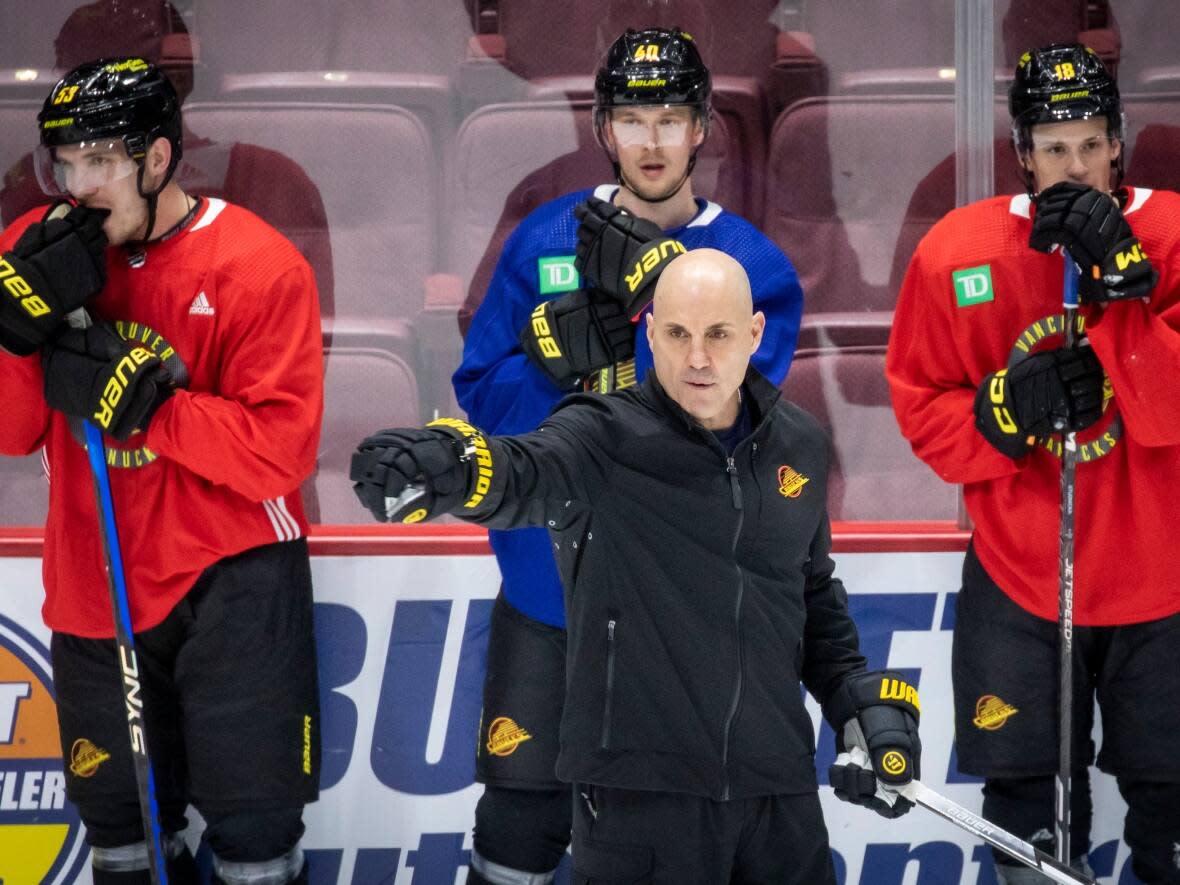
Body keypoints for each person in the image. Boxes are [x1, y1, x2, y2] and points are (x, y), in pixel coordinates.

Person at [353, 248, 921, 884]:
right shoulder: (602, 436)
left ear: (755, 334)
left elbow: (809, 596)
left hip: (778, 801)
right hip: (641, 806)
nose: (697, 358)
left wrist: (854, 705)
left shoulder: (800, 443)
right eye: (677, 333)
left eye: (719, 334)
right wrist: (455, 464)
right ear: (650, 333)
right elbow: (525, 471)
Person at [450, 26, 804, 885]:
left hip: (681, 610)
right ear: (605, 128)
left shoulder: (750, 265)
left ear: (702, 130)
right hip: (549, 592)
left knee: (670, 839)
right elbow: (479, 390)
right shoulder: (544, 239)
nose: (652, 140)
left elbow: (734, 423)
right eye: (634, 119)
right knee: (517, 820)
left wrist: (628, 350)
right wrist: (550, 368)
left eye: (671, 118)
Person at [0, 57, 323, 884]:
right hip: (96, 578)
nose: (79, 185)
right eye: (64, 163)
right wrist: (15, 339)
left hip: (234, 578)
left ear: (157, 159)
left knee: (255, 837)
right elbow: (13, 433)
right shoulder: (30, 255)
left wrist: (149, 409)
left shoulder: (259, 265)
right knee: (122, 840)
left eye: (101, 161)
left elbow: (276, 455)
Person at [886, 43, 1180, 884]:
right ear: (1021, 153)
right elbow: (919, 403)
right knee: (1028, 819)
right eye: (1055, 147)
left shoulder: (1175, 235)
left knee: (1172, 809)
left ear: (1119, 141)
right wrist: (1004, 413)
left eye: (1092, 143)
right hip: (1022, 579)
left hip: (1163, 585)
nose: (1077, 166)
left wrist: (1122, 287)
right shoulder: (956, 252)